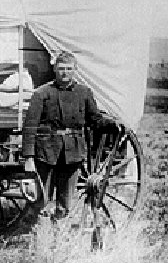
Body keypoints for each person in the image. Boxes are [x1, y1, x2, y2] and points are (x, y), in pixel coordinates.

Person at [22, 51, 119, 220]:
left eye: (68, 68)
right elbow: (30, 127)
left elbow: (94, 120)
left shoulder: (84, 93)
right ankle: (39, 237)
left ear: (75, 70)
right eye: (61, 68)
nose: (64, 72)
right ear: (54, 69)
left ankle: (58, 235)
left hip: (72, 154)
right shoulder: (42, 94)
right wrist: (29, 157)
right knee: (40, 200)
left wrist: (112, 124)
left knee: (65, 202)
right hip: (46, 152)